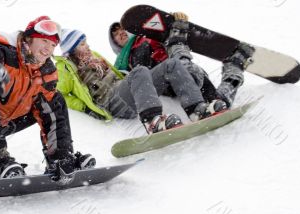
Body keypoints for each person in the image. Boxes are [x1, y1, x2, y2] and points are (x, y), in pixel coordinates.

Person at [0, 16, 95, 179]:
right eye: (44, 41)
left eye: (52, 45)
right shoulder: (3, 52)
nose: (48, 49)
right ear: (29, 38)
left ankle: (60, 158)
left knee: (54, 99)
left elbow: (51, 115)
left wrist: (61, 151)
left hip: (2, 125)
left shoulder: (46, 72)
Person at [55, 28, 226, 135]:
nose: (88, 46)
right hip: (112, 102)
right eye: (82, 44)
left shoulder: (95, 57)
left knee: (171, 65)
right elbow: (60, 94)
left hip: (125, 92)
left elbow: (115, 74)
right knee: (139, 71)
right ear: (72, 48)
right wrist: (85, 108)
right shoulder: (66, 68)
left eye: (86, 42)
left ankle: (195, 108)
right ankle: (153, 121)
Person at [108, 14, 254, 108]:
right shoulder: (121, 64)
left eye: (121, 29)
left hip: (185, 70)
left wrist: (172, 21)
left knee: (217, 99)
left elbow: (170, 41)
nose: (120, 32)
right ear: (113, 43)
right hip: (164, 79)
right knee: (180, 66)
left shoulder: (148, 36)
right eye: (115, 33)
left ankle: (234, 70)